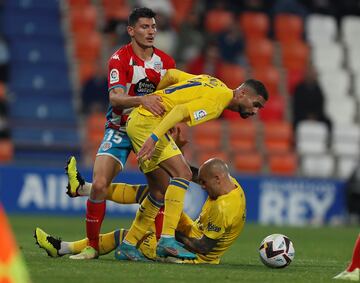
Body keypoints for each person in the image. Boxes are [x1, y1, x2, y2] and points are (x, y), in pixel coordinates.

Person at [114, 68, 267, 261]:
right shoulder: (218, 102)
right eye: (256, 104)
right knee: (183, 174)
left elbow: (171, 75)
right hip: (147, 124)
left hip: (142, 119)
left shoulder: (213, 81)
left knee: (159, 192)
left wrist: (156, 97)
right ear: (242, 93)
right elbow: (179, 110)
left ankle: (128, 245)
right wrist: (154, 137)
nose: (255, 111)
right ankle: (167, 239)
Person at [69, 7, 177, 260]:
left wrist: (173, 125)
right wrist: (143, 101)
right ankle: (91, 247)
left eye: (153, 27)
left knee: (161, 189)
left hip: (148, 133)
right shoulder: (119, 59)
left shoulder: (166, 63)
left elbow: (172, 100)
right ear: (131, 30)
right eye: (144, 27)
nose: (151, 32)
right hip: (119, 129)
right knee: (98, 185)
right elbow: (115, 98)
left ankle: (164, 248)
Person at [35, 158, 246, 264]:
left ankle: (61, 247)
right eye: (202, 182)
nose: (202, 187)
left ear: (218, 179)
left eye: (205, 184)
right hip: (193, 231)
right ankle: (84, 188)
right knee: (156, 192)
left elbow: (204, 248)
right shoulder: (228, 183)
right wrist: (171, 156)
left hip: (193, 257)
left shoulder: (224, 208)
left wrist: (166, 231)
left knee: (124, 236)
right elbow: (198, 174)